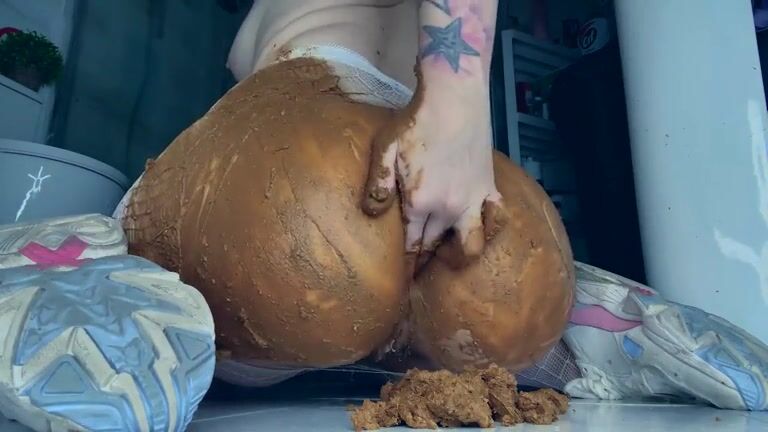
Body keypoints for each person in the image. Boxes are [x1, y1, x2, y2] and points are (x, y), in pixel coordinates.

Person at [0, 2, 766, 432]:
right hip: (472, 195)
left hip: (312, 148)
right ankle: (576, 331)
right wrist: (456, 117)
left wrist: (456, 101)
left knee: (208, 260)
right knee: (511, 315)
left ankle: (112, 276)